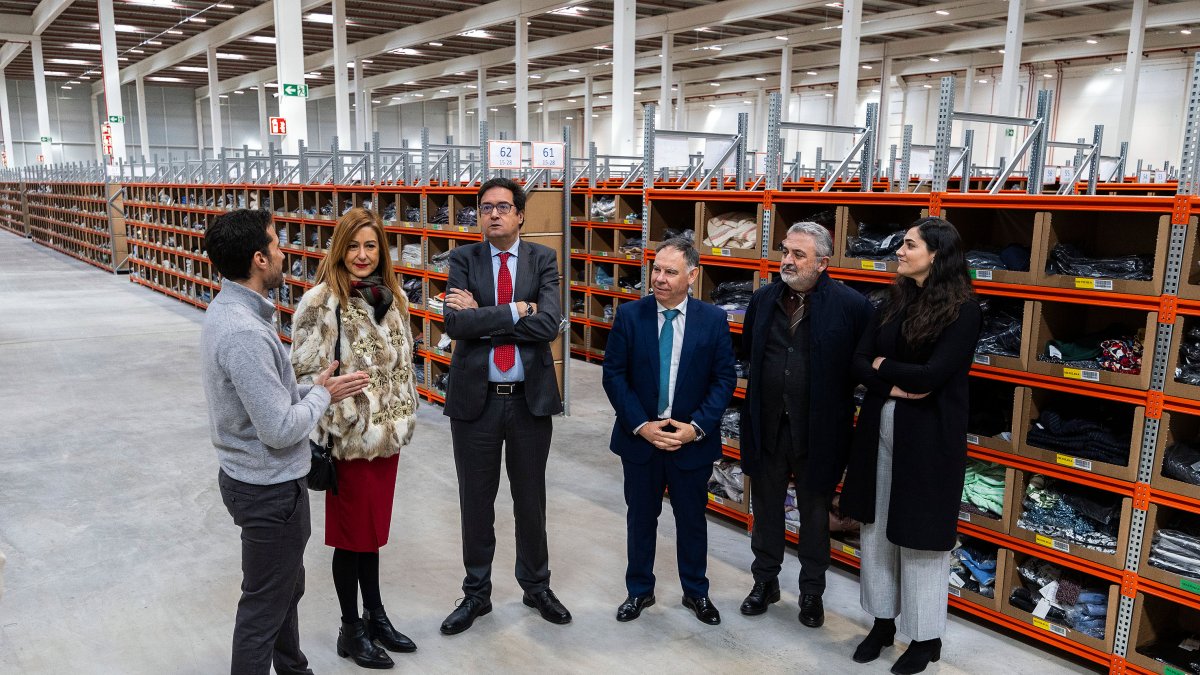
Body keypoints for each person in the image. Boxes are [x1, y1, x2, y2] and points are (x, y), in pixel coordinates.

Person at [200, 209, 369, 675]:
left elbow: (264, 402)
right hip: (268, 489)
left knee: (283, 591)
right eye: (276, 245)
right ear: (258, 259)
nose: (283, 252)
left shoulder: (233, 311)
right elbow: (278, 430)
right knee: (264, 606)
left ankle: (294, 668)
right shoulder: (245, 333)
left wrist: (314, 389)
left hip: (257, 480)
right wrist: (320, 396)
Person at [840, 217, 982, 675]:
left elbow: (933, 376)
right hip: (879, 427)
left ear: (937, 255)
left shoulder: (963, 311)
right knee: (876, 527)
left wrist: (885, 372)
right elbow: (859, 362)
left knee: (920, 538)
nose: (899, 252)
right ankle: (882, 623)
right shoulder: (891, 300)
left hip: (928, 438)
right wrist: (895, 382)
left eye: (909, 245)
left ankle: (925, 639)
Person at [438, 176, 570, 635]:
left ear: (520, 215)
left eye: (503, 207)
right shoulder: (462, 259)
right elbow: (456, 323)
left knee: (529, 500)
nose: (493, 213)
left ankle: (536, 586)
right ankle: (476, 593)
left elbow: (549, 325)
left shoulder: (544, 259)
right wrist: (518, 311)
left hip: (529, 402)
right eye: (486, 206)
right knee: (476, 502)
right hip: (476, 404)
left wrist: (486, 316)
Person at [290, 208, 419, 669]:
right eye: (352, 245)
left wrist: (399, 412)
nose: (362, 255)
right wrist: (346, 416)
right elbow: (304, 373)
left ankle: (376, 615)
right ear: (338, 248)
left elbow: (403, 364)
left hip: (387, 438)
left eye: (370, 246)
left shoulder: (393, 297)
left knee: (372, 535)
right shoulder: (321, 302)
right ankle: (351, 628)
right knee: (351, 538)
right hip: (349, 443)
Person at [738, 222, 872, 627]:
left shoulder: (852, 306)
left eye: (798, 255)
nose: (788, 261)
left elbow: (859, 369)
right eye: (785, 252)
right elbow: (750, 354)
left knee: (815, 514)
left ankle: (812, 593)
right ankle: (765, 582)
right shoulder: (762, 301)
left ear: (823, 262)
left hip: (819, 432)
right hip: (768, 424)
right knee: (765, 507)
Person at [601, 238, 736, 625]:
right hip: (641, 438)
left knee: (692, 520)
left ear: (692, 275)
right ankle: (639, 591)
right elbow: (614, 375)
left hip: (688, 441)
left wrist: (696, 428)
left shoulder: (711, 320)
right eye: (656, 269)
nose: (659, 278)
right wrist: (641, 425)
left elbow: (723, 380)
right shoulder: (630, 315)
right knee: (640, 518)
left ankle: (696, 592)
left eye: (670, 271)